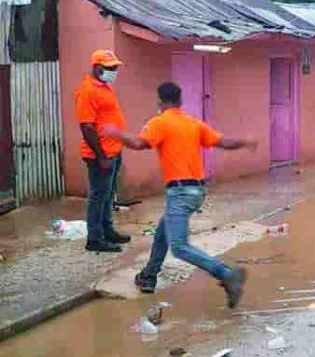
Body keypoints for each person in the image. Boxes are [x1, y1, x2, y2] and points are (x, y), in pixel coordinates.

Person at [104, 82, 256, 308]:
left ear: (160, 102)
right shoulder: (193, 123)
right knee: (162, 233)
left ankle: (226, 274)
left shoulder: (160, 122)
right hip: (197, 191)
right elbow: (224, 142)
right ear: (180, 101)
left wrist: (115, 133)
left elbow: (138, 143)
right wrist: (245, 142)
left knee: (179, 247)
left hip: (180, 193)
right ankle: (148, 276)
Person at [75, 49, 131, 253]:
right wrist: (102, 156)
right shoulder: (87, 91)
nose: (114, 71)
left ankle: (107, 230)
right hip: (101, 155)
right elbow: (87, 127)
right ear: (97, 68)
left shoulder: (104, 87)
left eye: (115, 67)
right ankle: (94, 238)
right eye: (110, 68)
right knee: (98, 196)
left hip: (113, 151)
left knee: (108, 195)